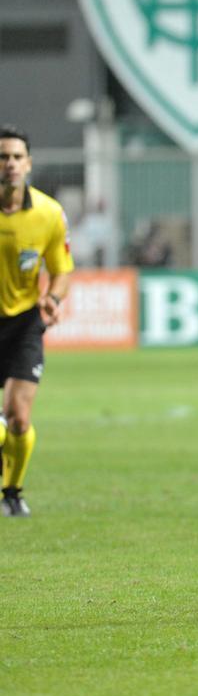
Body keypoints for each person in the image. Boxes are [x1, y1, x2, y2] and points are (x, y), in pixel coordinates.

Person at [0, 125, 73, 517]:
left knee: (18, 418)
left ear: (28, 164)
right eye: (3, 157)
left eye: (16, 157)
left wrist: (53, 297)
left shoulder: (48, 214)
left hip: (24, 321)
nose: (9, 164)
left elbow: (62, 269)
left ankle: (11, 493)